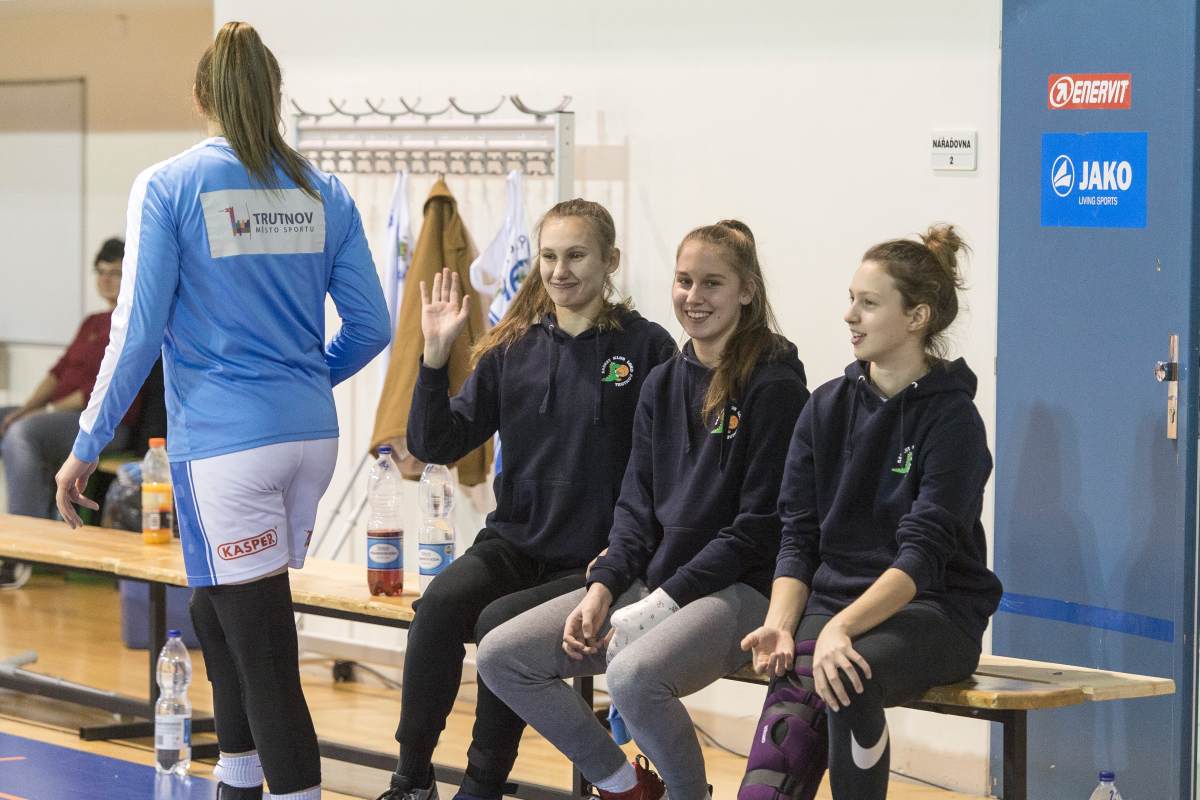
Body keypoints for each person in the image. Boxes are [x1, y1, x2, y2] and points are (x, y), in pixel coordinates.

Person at [54, 22, 390, 800]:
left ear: (200, 94)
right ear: (276, 94)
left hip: (227, 449)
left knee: (265, 650)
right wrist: (303, 380)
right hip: (310, 437)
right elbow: (372, 328)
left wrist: (86, 444)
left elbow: (135, 334)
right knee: (217, 612)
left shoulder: (168, 185)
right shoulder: (323, 190)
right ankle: (238, 780)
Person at [478, 220, 809, 800]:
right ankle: (624, 787)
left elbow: (758, 528)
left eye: (712, 283)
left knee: (633, 677)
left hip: (740, 587)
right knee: (503, 656)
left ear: (747, 291)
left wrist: (662, 601)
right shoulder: (661, 382)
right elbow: (634, 508)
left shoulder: (774, 386)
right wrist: (603, 588)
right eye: (684, 281)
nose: (694, 297)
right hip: (657, 583)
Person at [377, 199, 677, 800]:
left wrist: (641, 559)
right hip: (514, 543)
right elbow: (435, 443)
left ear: (611, 260)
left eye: (576, 256)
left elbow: (669, 468)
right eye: (549, 256)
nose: (560, 271)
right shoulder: (512, 346)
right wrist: (434, 358)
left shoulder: (647, 348)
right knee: (437, 610)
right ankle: (411, 779)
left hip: (594, 560)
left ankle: (482, 785)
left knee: (499, 628)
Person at [739, 225, 1003, 800]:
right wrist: (781, 624)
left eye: (869, 303)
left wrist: (841, 628)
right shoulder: (825, 406)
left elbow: (923, 558)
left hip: (933, 611)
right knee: (774, 762)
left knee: (847, 675)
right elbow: (797, 536)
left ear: (917, 317)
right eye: (851, 299)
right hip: (833, 604)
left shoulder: (953, 421)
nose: (850, 315)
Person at [0, 238, 135, 588]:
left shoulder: (129, 321)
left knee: (24, 433)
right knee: (8, 419)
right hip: (59, 417)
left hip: (102, 424)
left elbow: (94, 391)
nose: (106, 280)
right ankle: (22, 528)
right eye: (101, 272)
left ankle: (24, 550)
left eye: (115, 272)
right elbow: (58, 372)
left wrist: (38, 414)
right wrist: (26, 408)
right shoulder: (92, 321)